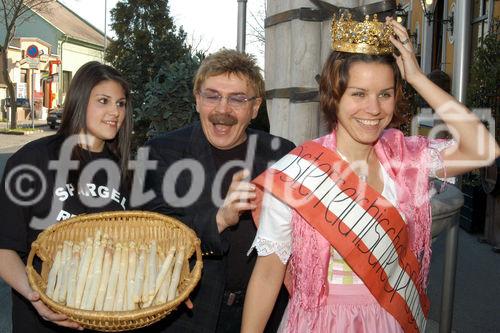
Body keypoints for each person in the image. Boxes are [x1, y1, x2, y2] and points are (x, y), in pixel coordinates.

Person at [241, 15, 500, 333]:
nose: (374, 109)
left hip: (389, 320)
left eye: (385, 94)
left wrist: (417, 77)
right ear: (334, 97)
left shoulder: (405, 159)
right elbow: (268, 275)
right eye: (358, 94)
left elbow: (484, 150)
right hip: (319, 322)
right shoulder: (297, 173)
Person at [143, 48, 294, 332]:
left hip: (265, 317)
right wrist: (220, 219)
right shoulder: (160, 153)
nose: (223, 109)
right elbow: (151, 238)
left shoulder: (282, 155)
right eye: (212, 96)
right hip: (188, 318)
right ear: (197, 100)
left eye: (237, 99)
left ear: (255, 107)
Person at [0, 61, 133, 332]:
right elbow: (4, 248)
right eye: (104, 101)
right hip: (39, 322)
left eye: (120, 104)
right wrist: (36, 297)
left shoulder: (126, 171)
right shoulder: (33, 160)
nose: (115, 112)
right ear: (80, 101)